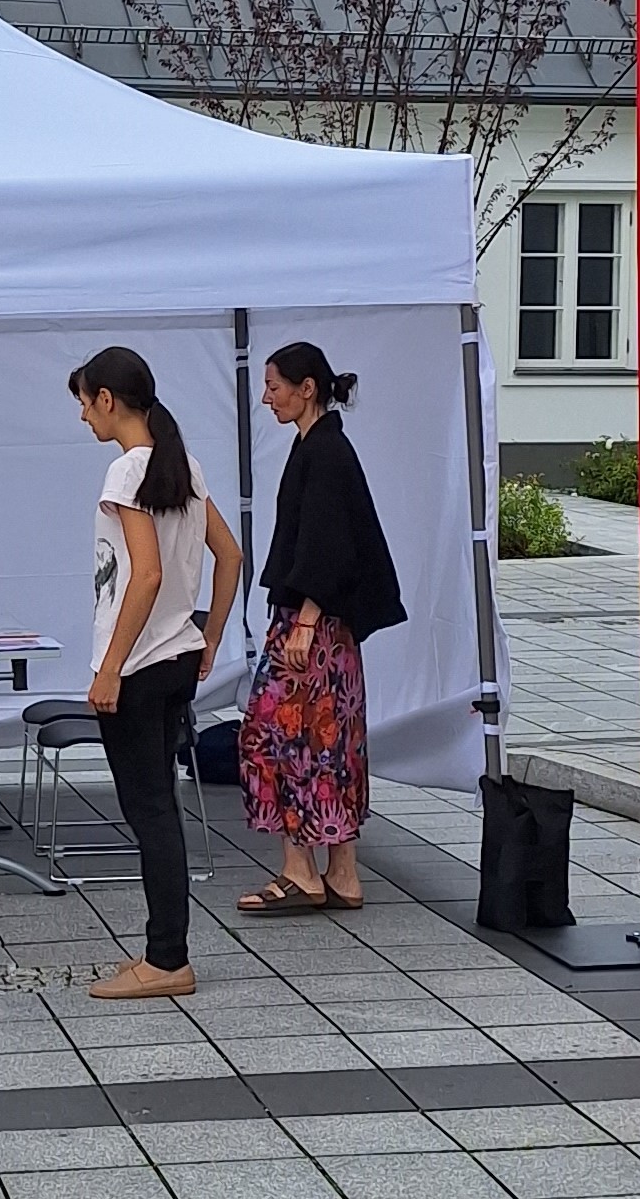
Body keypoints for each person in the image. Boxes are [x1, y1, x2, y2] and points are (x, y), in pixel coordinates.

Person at [69, 347, 244, 1001]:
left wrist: (110, 668)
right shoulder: (183, 466)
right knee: (159, 809)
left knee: (150, 814)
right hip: (176, 658)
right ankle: (161, 949)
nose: (84, 416)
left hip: (141, 667)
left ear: (109, 399)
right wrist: (211, 636)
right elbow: (230, 554)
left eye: (86, 402)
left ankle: (167, 960)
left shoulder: (126, 474)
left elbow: (145, 575)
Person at [238, 341, 405, 915]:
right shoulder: (321, 445)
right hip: (328, 630)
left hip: (313, 625)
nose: (267, 397)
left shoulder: (326, 452)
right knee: (329, 742)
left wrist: (305, 621)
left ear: (307, 387)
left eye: (275, 386)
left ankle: (300, 871)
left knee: (276, 738)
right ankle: (343, 874)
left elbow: (329, 545)